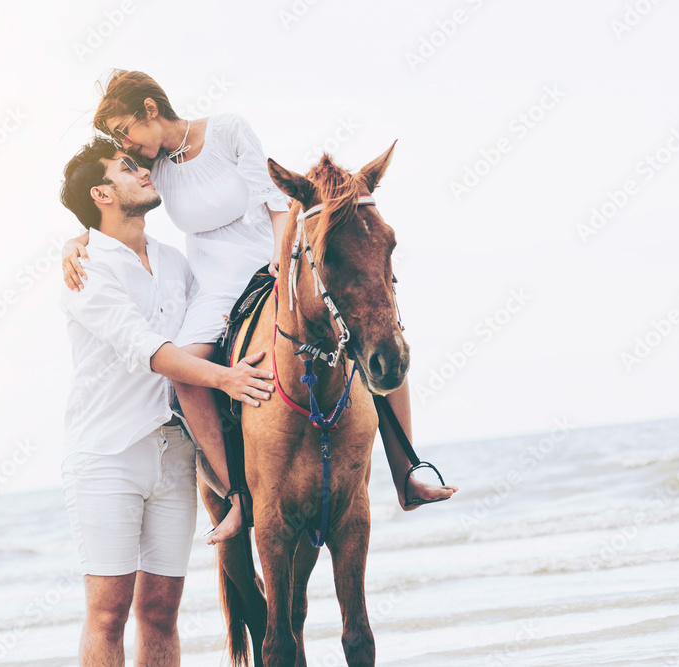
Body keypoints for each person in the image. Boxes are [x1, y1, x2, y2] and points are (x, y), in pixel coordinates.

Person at [63, 70, 457, 511]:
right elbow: (112, 204)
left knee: (379, 326)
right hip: (213, 286)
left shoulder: (228, 129)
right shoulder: (152, 167)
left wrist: (279, 256)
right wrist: (78, 240)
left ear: (149, 110)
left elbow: (273, 200)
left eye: (123, 131)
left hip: (268, 261)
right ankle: (236, 495)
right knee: (184, 375)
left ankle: (407, 472)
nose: (125, 146)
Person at [58, 137, 275, 665]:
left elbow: (223, 305)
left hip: (176, 454)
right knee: (108, 611)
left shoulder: (175, 260)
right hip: (109, 455)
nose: (144, 172)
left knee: (160, 609)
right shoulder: (87, 269)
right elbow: (147, 349)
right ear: (101, 193)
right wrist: (224, 379)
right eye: (127, 168)